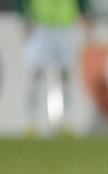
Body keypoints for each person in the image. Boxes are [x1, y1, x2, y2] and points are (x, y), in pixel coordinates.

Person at [16, 0, 90, 136]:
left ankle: (66, 121)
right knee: (34, 74)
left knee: (66, 76)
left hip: (66, 25)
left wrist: (84, 13)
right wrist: (26, 16)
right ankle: (31, 122)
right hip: (40, 26)